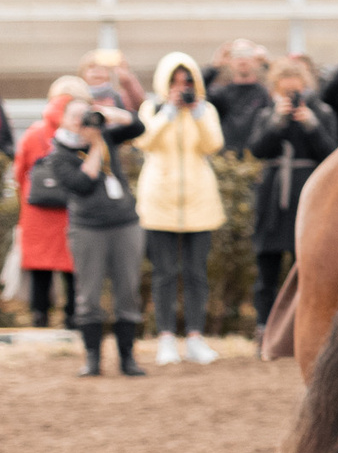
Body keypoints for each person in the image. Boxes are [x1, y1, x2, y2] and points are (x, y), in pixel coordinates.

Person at [44, 92, 148, 376]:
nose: (82, 121)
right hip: (88, 229)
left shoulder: (108, 134)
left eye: (85, 114)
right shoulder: (60, 153)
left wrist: (111, 115)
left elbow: (138, 127)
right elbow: (82, 182)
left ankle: (127, 358)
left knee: (127, 292)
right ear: (64, 120)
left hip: (125, 224)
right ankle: (93, 358)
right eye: (75, 116)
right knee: (88, 296)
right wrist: (96, 144)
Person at [137, 50, 228, 366]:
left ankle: (195, 338)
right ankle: (165, 339)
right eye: (175, 82)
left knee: (195, 273)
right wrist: (168, 113)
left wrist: (198, 112)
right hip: (159, 200)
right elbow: (145, 142)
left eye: (187, 81)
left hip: (199, 199)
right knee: (163, 273)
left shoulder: (206, 110)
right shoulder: (151, 109)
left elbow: (213, 145)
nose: (181, 87)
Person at [247, 58, 338, 342]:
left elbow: (331, 152)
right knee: (267, 267)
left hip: (308, 194)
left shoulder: (322, 112)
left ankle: (307, 330)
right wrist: (277, 121)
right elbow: (257, 149)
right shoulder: (266, 114)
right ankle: (265, 329)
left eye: (296, 92)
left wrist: (311, 125)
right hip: (273, 197)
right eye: (285, 92)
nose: (292, 98)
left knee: (308, 265)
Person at [11, 76, 91, 328]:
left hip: (37, 211)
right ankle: (72, 317)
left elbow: (18, 171)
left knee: (40, 267)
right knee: (72, 266)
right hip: (73, 208)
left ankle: (40, 316)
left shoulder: (35, 131)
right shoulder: (84, 132)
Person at [205, 38, 275, 153]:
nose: (242, 59)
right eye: (237, 55)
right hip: (227, 161)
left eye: (247, 54)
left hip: (257, 159)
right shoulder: (221, 93)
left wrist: (268, 65)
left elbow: (282, 87)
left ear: (256, 59)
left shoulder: (265, 93)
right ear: (229, 60)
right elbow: (198, 93)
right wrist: (214, 66)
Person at [79, 47, 149, 116]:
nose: (97, 71)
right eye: (91, 67)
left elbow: (140, 107)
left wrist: (127, 80)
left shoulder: (118, 96)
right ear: (82, 72)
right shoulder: (78, 95)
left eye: (102, 67)